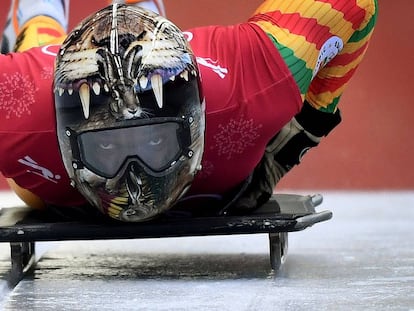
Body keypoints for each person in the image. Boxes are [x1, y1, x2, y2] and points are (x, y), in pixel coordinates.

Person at [0, 0, 378, 222]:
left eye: (153, 141)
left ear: (198, 116)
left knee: (29, 190)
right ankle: (40, 22)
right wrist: (299, 133)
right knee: (38, 42)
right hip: (224, 170)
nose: (134, 186)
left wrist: (298, 133)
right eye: (106, 148)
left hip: (60, 189)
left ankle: (38, 18)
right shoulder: (257, 82)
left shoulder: (252, 77)